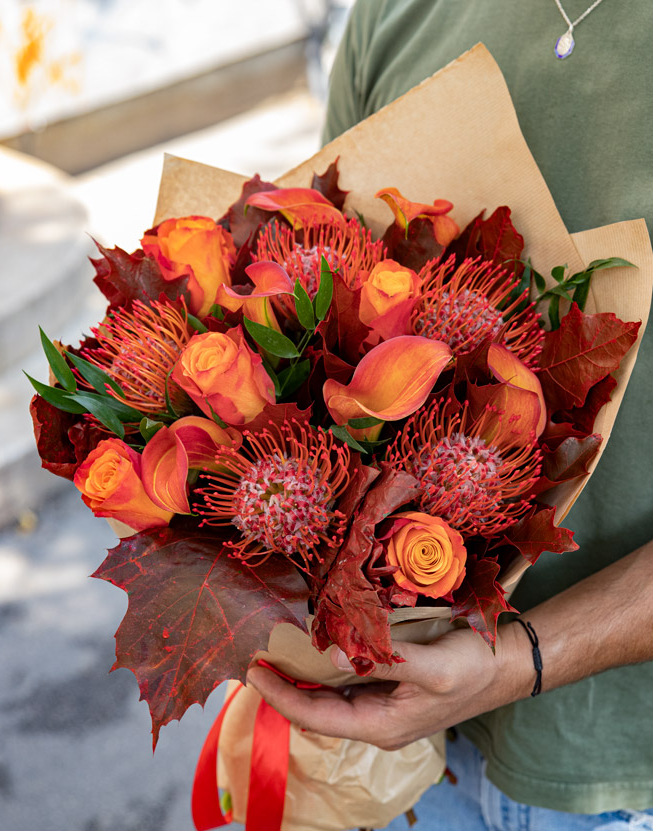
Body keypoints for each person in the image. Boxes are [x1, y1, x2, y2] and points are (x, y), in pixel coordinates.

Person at [248, 2, 653, 829]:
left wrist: (520, 660)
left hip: (622, 773)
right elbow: (306, 307)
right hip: (396, 760)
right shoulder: (395, 13)